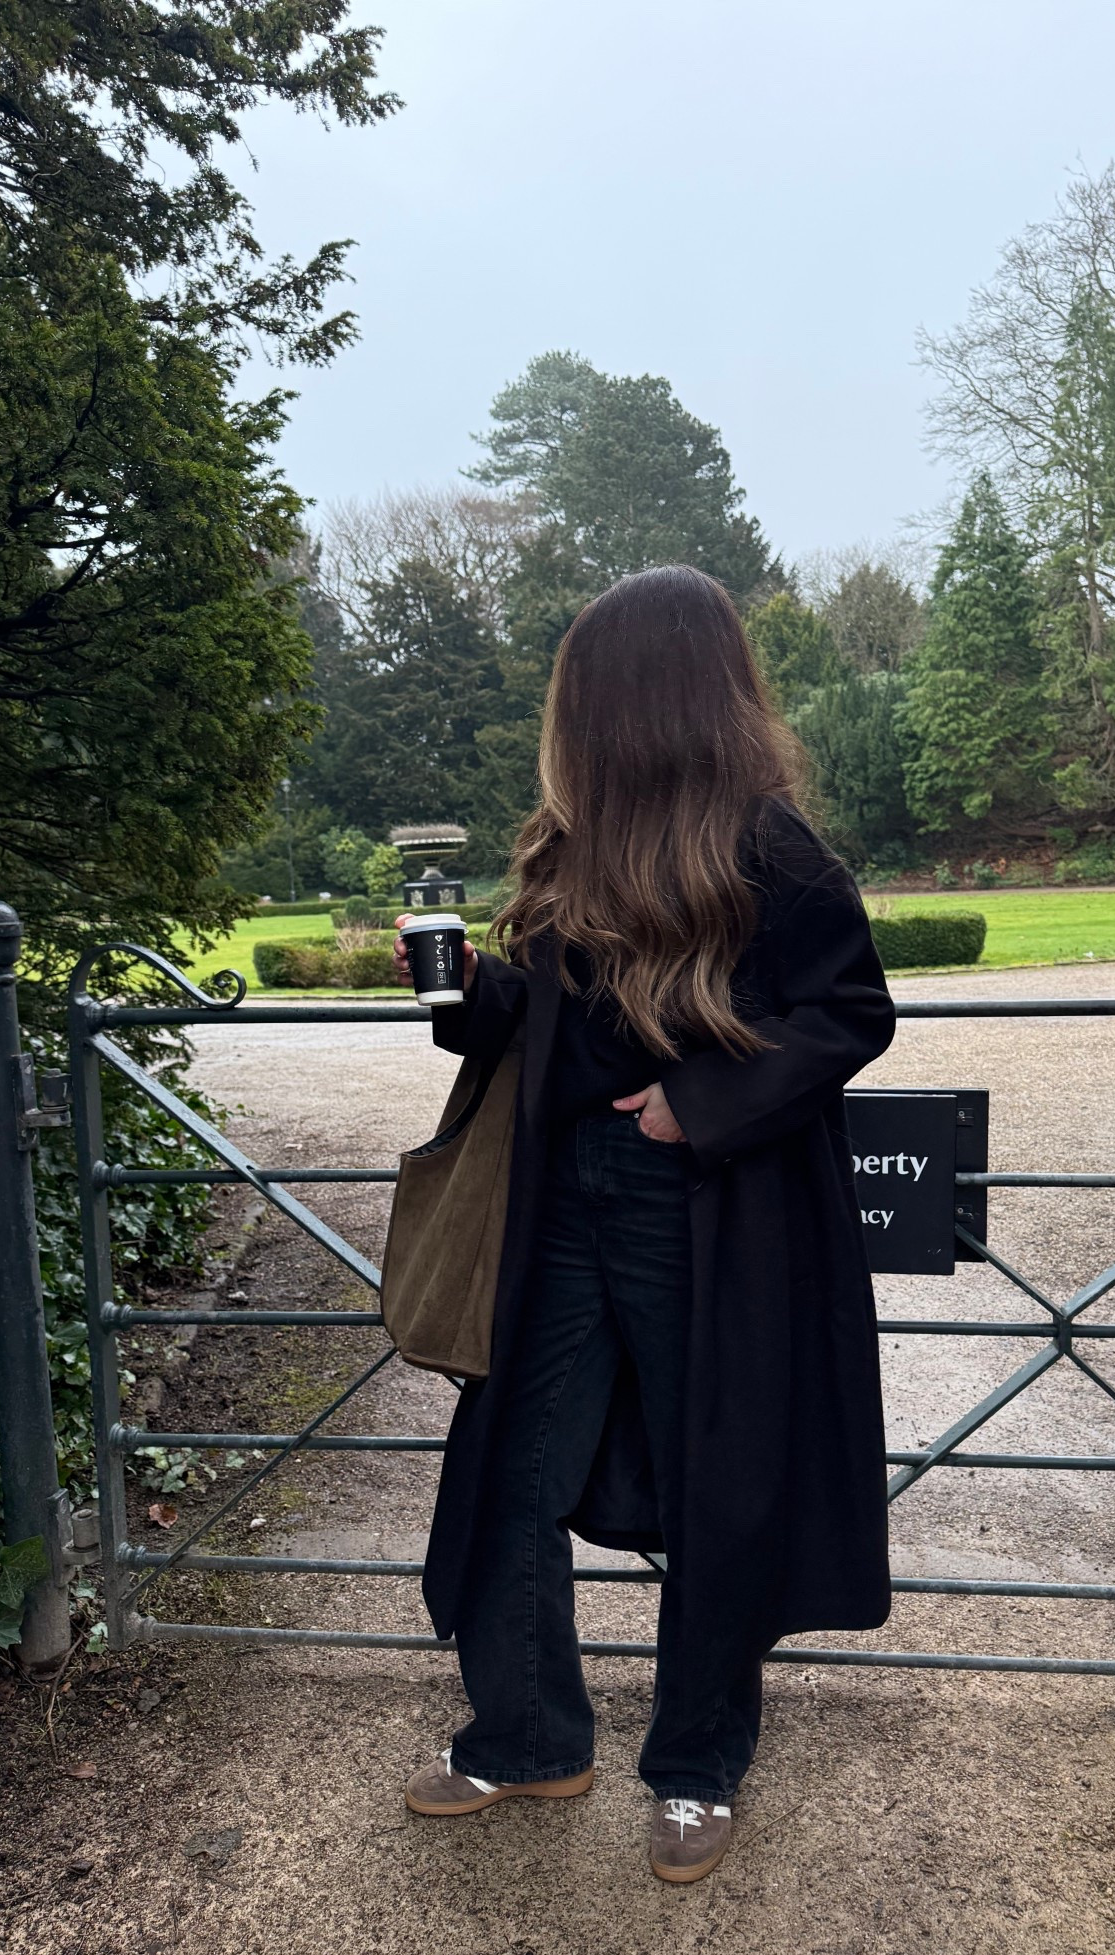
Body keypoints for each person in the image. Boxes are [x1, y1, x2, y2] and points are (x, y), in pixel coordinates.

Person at [392, 564, 896, 1884]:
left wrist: (697, 1103)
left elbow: (850, 1017)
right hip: (565, 1206)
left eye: (580, 687)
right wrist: (475, 994)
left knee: (717, 1490)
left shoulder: (770, 848)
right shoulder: (575, 844)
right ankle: (527, 1733)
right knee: (513, 1466)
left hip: (707, 1218)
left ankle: (697, 1765)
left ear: (634, 701)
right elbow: (565, 1036)